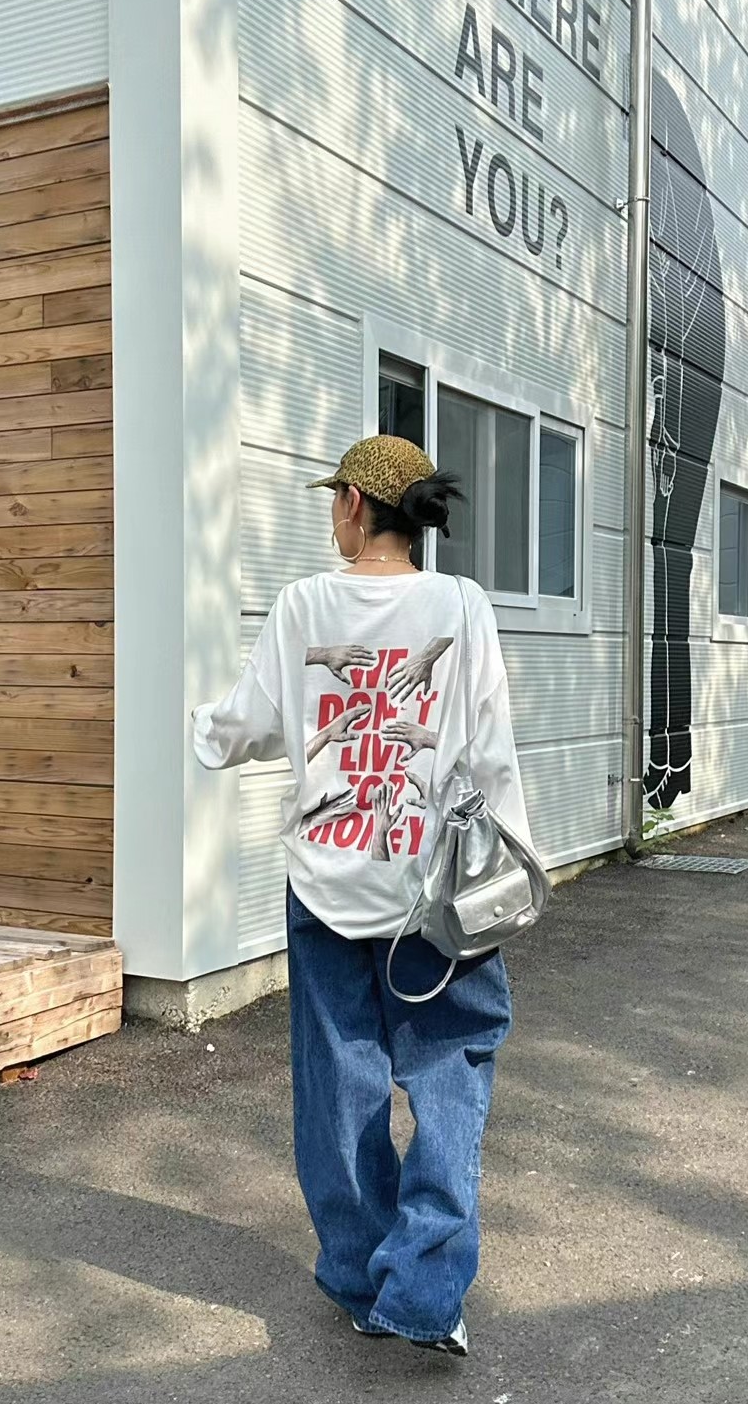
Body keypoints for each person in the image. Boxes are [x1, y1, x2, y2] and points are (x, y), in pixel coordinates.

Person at [192, 434, 537, 1356]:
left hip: (326, 880)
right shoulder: (460, 605)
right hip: (436, 891)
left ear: (352, 503)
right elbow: (490, 748)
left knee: (337, 1085)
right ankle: (425, 1292)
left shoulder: (304, 605)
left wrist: (199, 730)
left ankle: (357, 1276)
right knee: (450, 1069)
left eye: (332, 503)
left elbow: (251, 724)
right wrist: (516, 867)